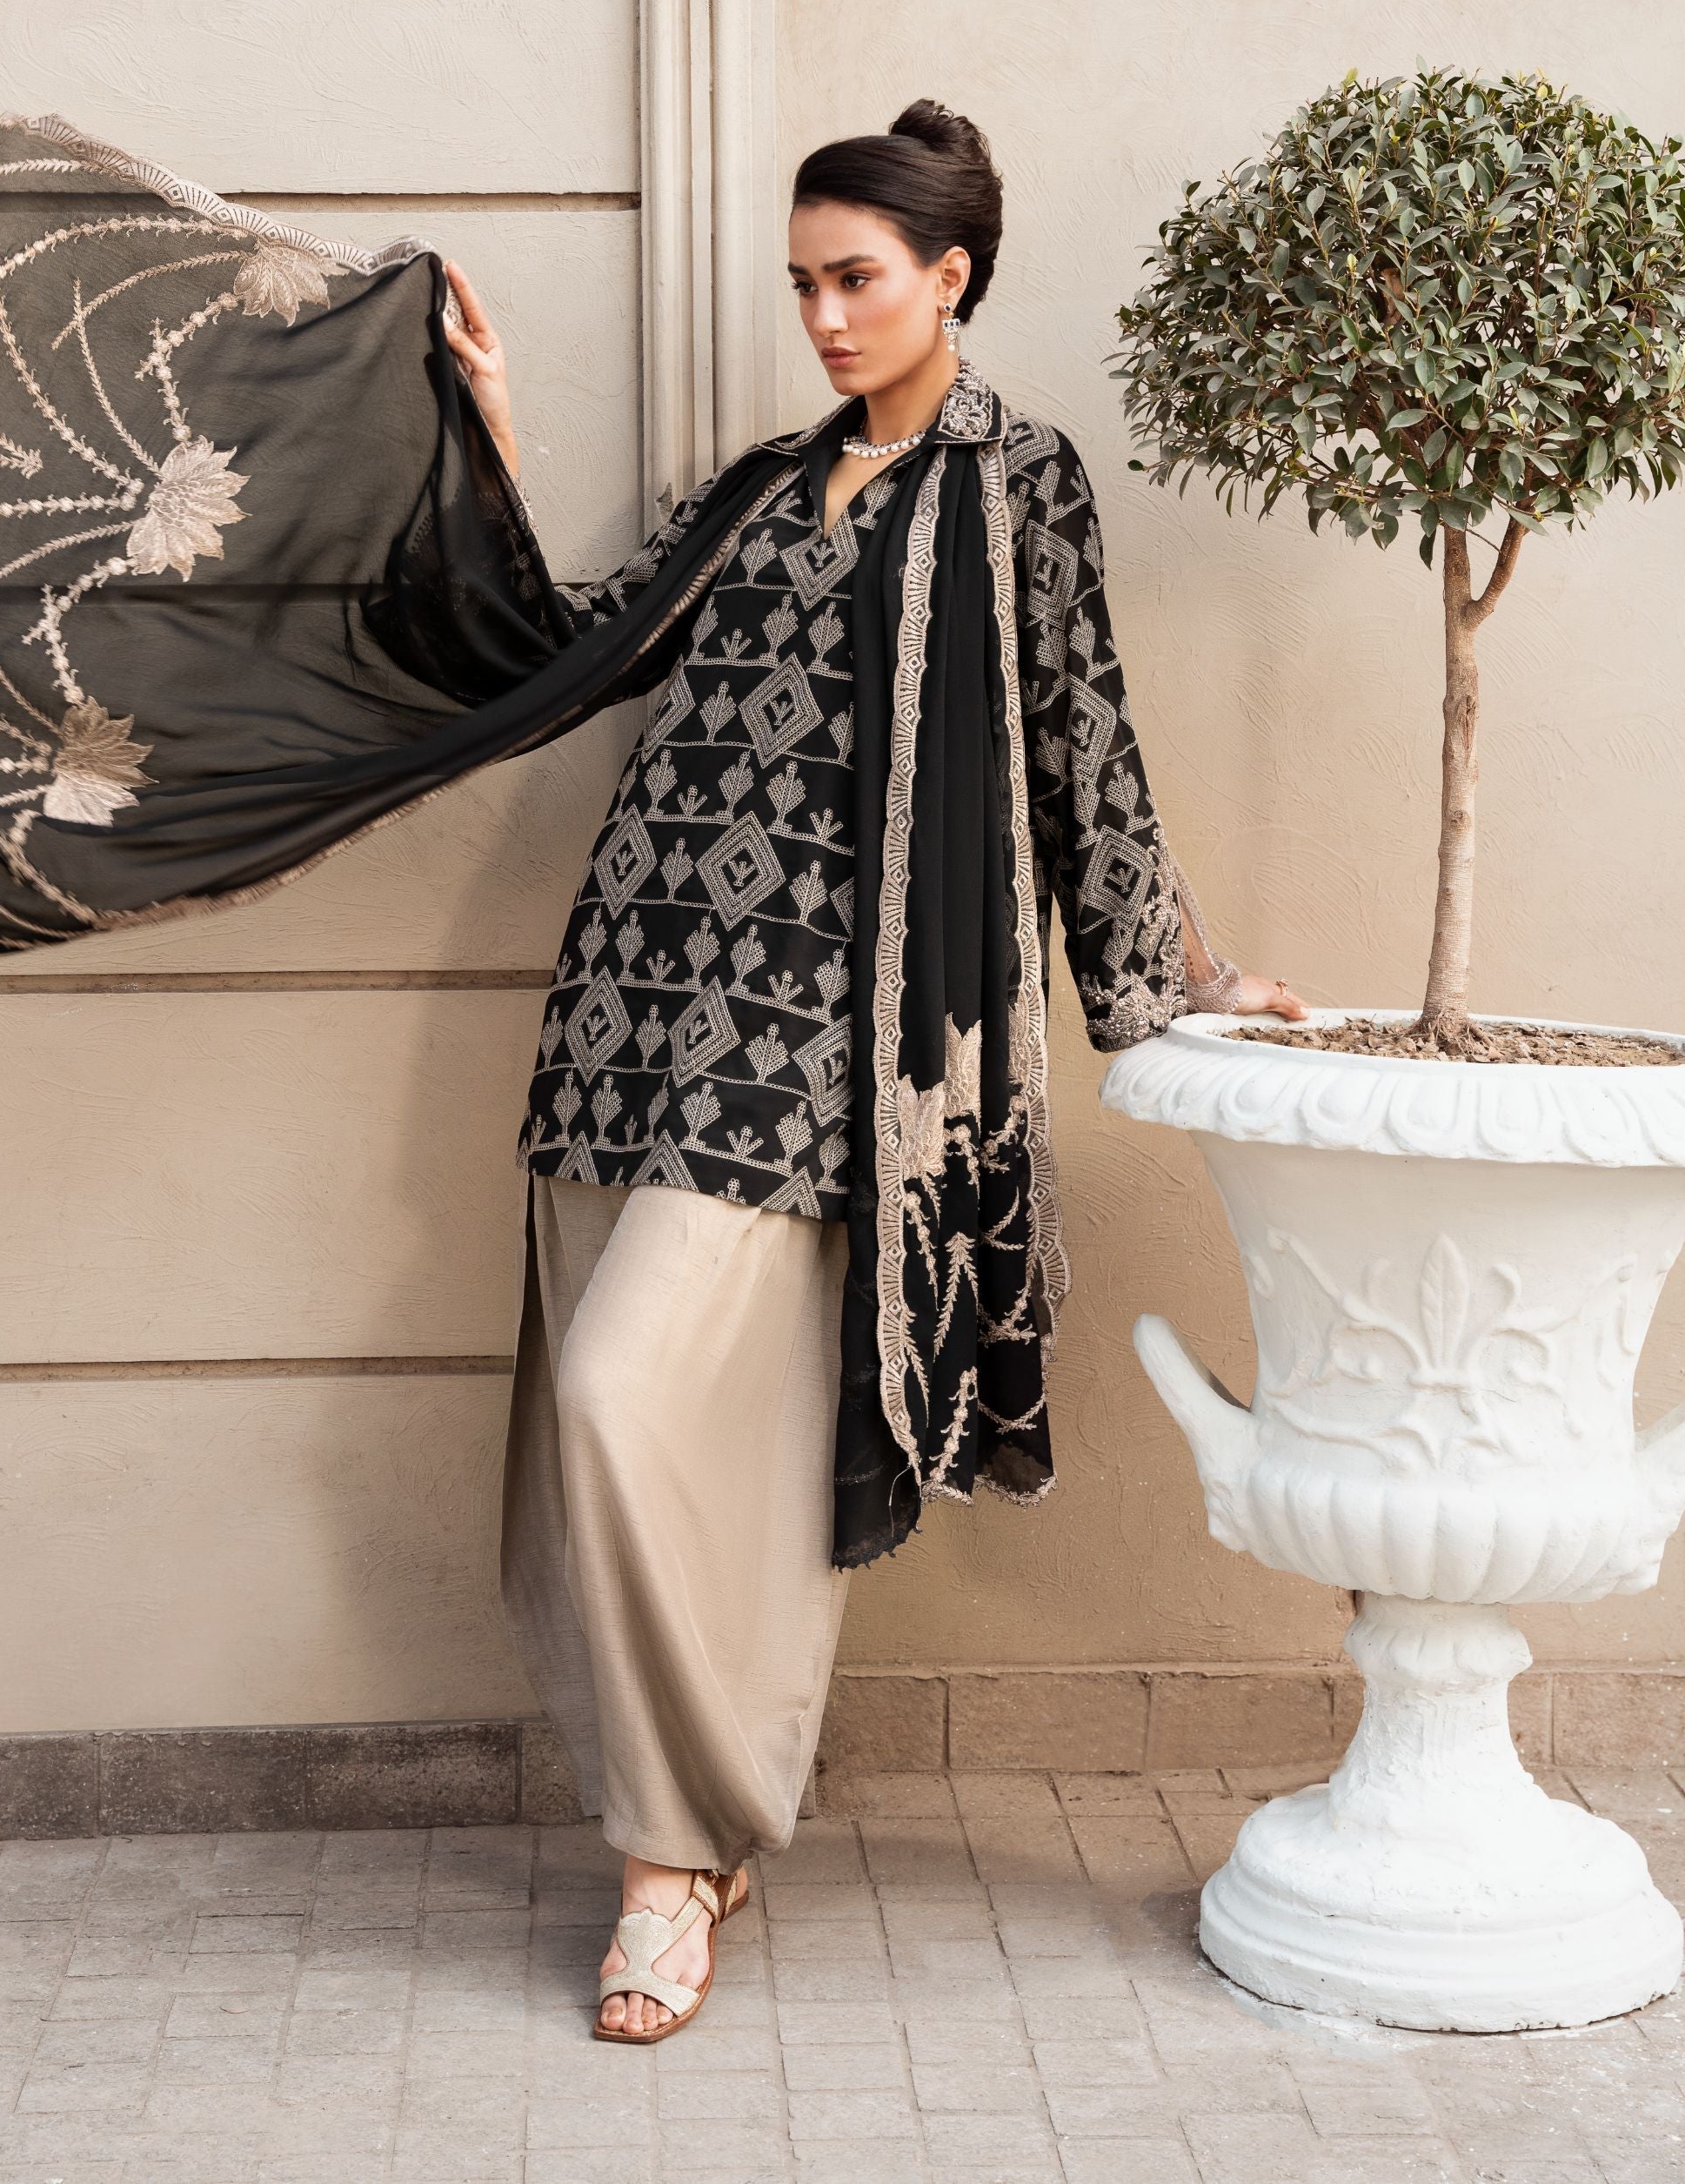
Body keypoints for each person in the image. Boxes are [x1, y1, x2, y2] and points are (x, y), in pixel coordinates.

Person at [439, 101, 1306, 2042]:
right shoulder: (761, 485)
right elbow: (570, 653)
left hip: (823, 1043)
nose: (825, 318)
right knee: (664, 1443)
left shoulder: (1017, 485)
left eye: (856, 279)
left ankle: (671, 1862)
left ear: (949, 277)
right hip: (634, 1006)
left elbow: (1083, 748)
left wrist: (1178, 974)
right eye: (802, 285)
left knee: (616, 1394)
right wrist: (485, 439)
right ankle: (695, 1828)